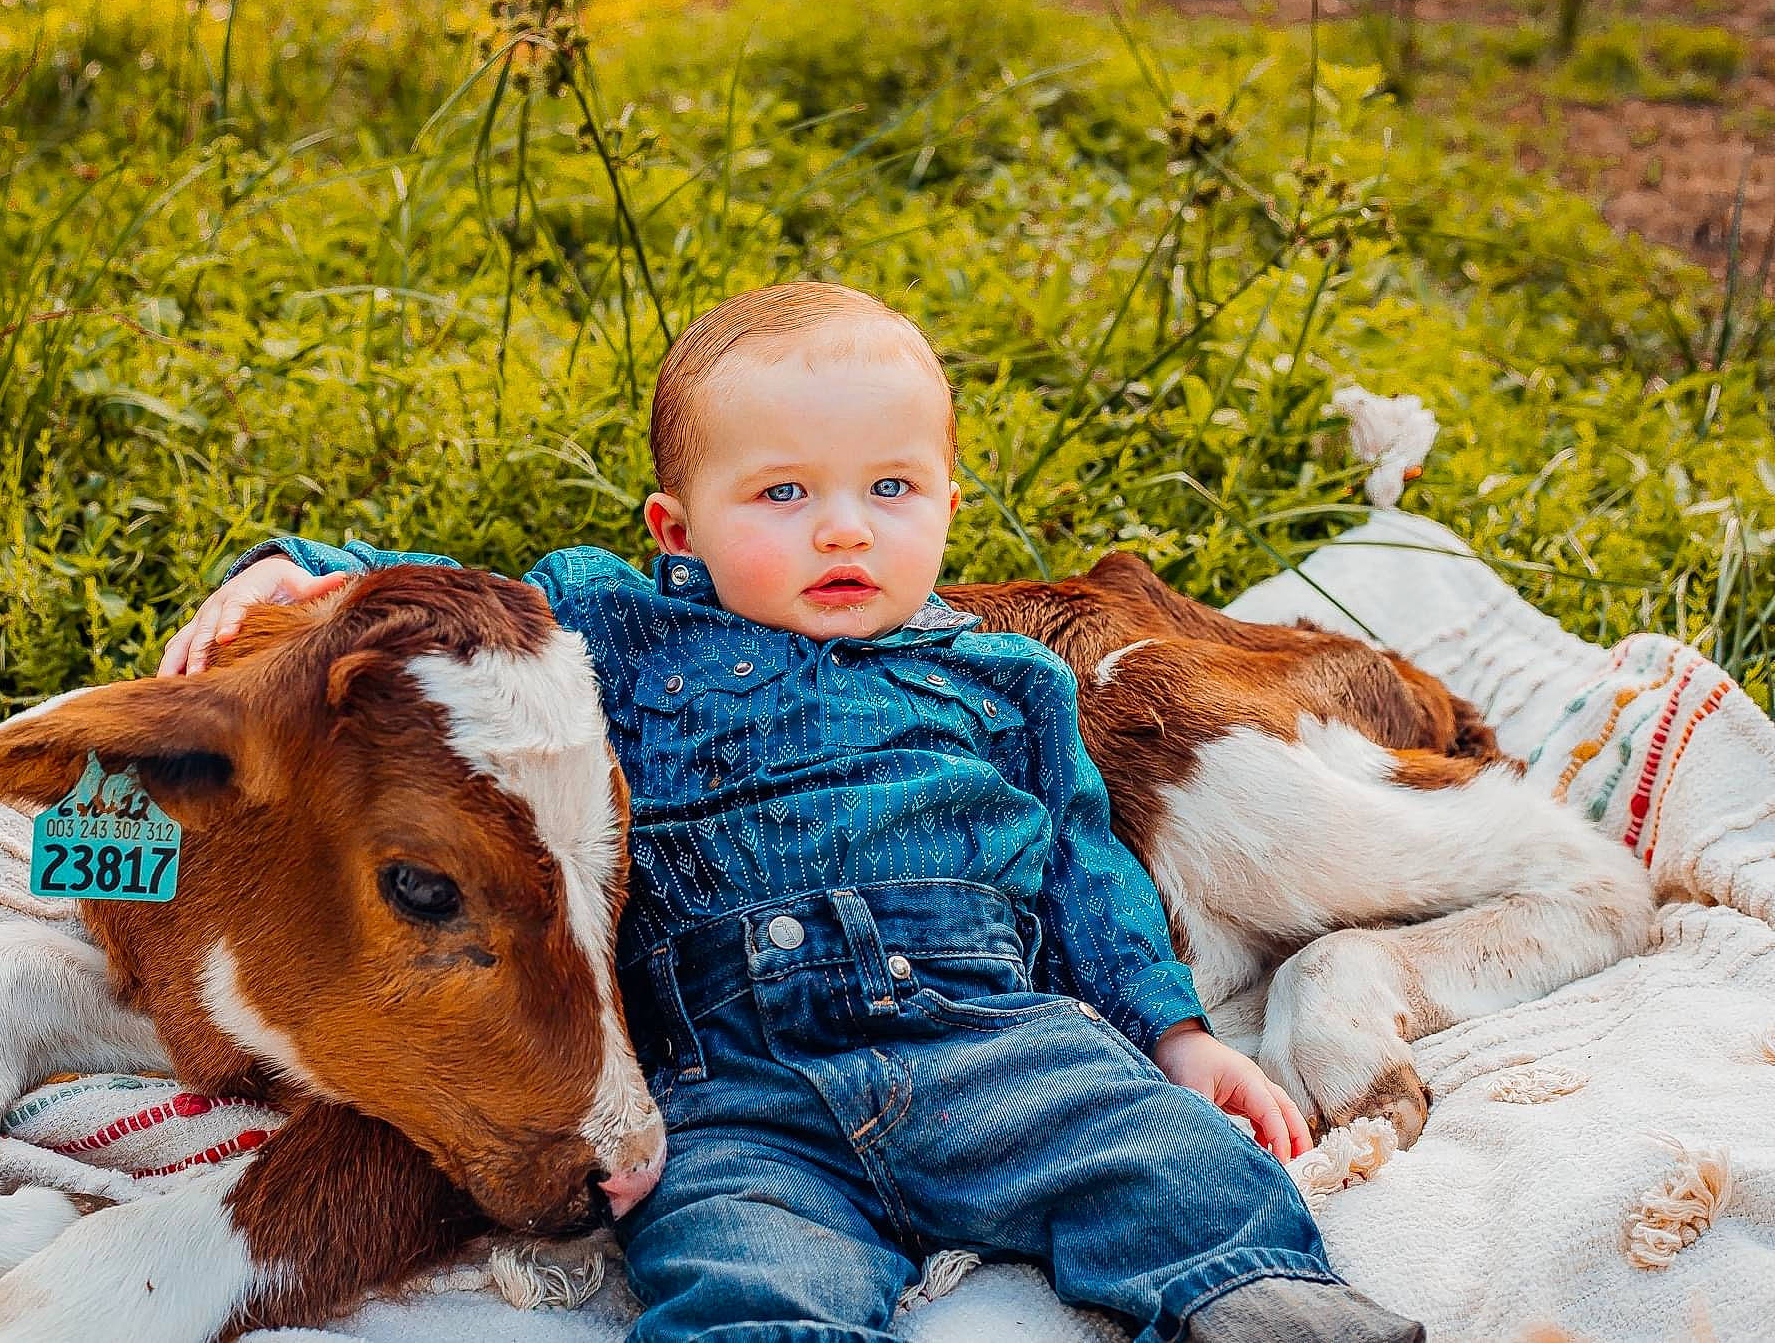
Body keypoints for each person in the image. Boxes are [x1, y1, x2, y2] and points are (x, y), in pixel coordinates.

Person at [160, 281, 1422, 1343]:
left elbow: (1084, 878)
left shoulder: (1011, 680)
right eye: (779, 496)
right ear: (677, 527)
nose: (842, 529)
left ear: (946, 505)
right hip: (725, 1080)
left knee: (1160, 1162)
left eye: (890, 489)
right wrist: (300, 573)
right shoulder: (615, 623)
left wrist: (1176, 1039)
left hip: (987, 1031)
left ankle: (1251, 1298)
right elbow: (443, 600)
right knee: (734, 1258)